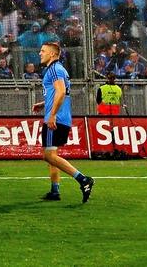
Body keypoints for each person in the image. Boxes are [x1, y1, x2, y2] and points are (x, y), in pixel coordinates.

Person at [31, 42, 95, 203]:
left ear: (52, 54)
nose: (40, 53)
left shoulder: (53, 69)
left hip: (56, 119)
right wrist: (44, 103)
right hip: (61, 117)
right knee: (51, 155)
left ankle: (83, 179)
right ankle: (55, 191)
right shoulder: (60, 69)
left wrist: (52, 114)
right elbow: (61, 93)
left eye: (43, 51)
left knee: (49, 155)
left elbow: (60, 91)